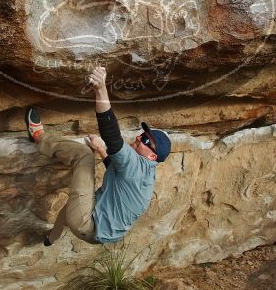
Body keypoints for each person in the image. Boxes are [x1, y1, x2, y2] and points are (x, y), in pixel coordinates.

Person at [25, 66, 171, 245]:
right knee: (68, 211)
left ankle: (39, 137)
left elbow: (112, 137)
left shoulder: (137, 165)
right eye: (143, 135)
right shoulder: (146, 173)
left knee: (84, 155)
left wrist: (101, 89)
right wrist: (101, 150)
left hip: (89, 225)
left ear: (152, 157)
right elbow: (118, 171)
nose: (139, 138)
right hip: (102, 233)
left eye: (147, 142)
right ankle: (50, 239)